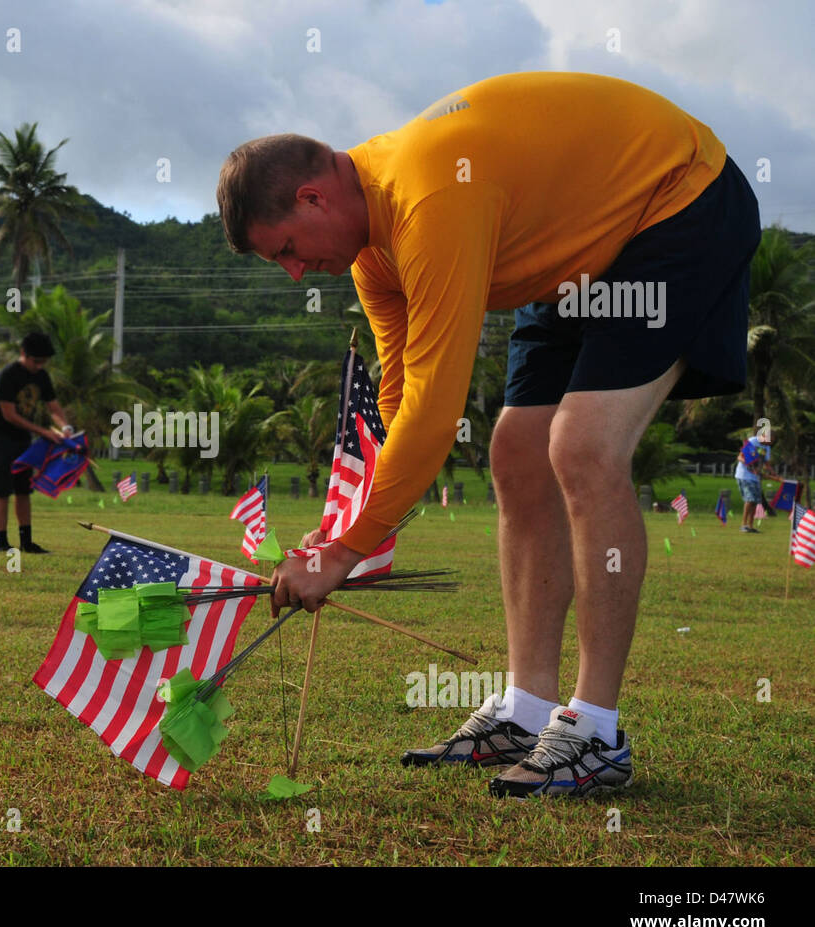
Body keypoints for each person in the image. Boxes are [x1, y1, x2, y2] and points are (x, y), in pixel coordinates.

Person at [216, 72, 760, 798]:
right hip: (572, 247)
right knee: (515, 452)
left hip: (676, 201)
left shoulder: (429, 197)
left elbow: (437, 412)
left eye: (285, 248)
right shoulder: (373, 253)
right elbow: (401, 392)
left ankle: (595, 730)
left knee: (582, 445)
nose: (291, 273)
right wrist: (341, 529)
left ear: (313, 197)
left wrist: (348, 551)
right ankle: (526, 709)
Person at [0, 330, 74, 554]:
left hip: (23, 439)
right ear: (23, 353)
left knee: (23, 490)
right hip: (0, 438)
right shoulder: (8, 375)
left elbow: (53, 407)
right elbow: (9, 414)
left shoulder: (42, 376)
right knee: (1, 491)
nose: (39, 366)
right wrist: (43, 431)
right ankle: (2, 541)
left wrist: (65, 427)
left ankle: (26, 541)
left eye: (44, 362)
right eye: (36, 361)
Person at [735, 431, 777, 533]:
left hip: (755, 477)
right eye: (770, 441)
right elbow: (740, 457)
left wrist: (773, 472)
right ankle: (743, 525)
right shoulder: (752, 442)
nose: (771, 443)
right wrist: (749, 464)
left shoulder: (767, 447)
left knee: (754, 501)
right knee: (750, 499)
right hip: (744, 475)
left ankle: (750, 525)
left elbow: (766, 462)